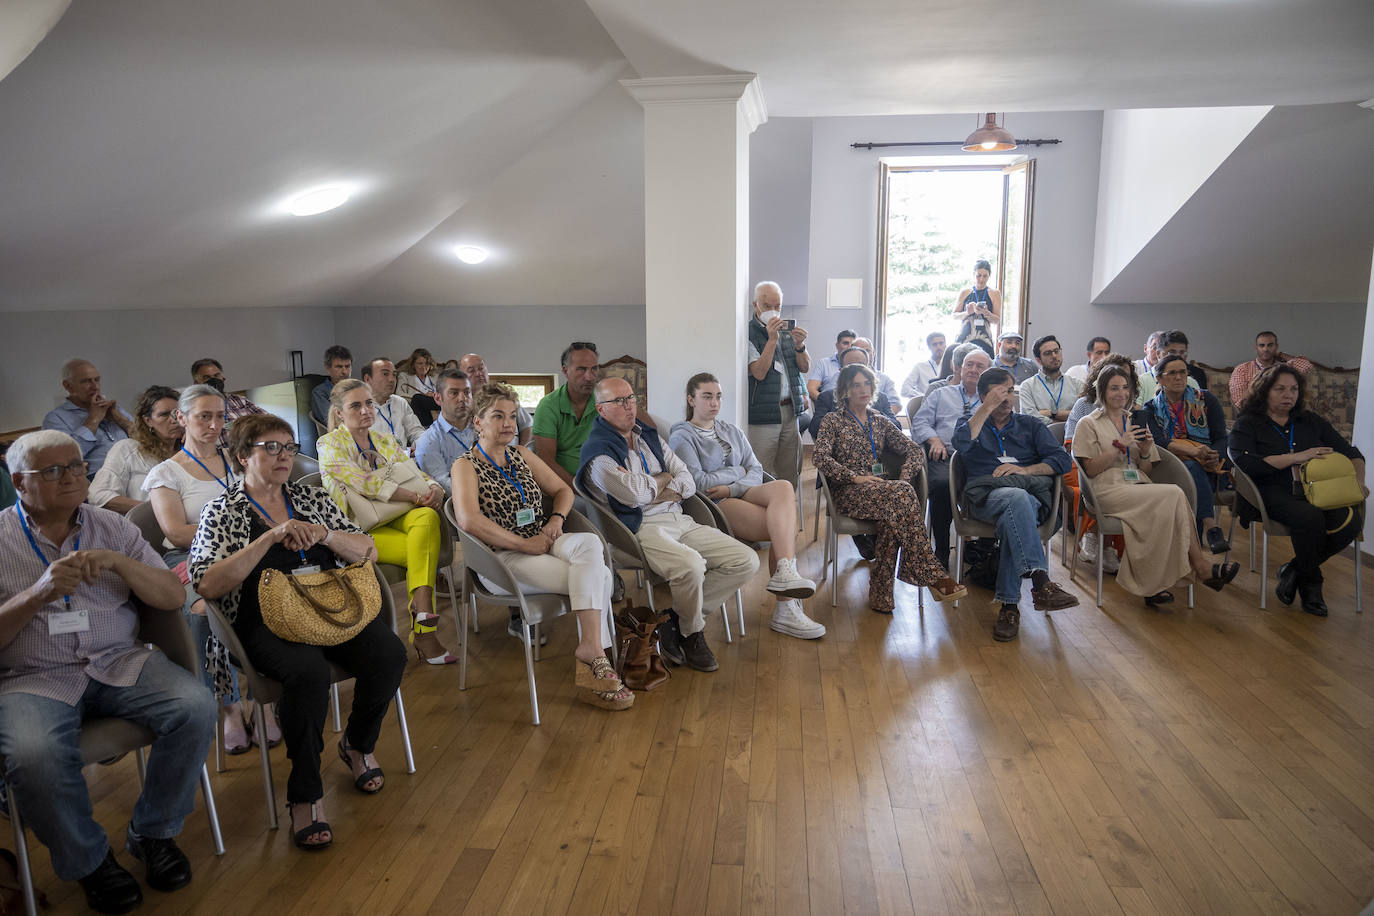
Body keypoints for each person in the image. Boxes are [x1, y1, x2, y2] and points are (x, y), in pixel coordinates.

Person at [1, 430, 214, 912]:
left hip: (119, 658)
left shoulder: (112, 528)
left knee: (196, 706)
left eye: (77, 466)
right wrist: (37, 594)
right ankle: (90, 862)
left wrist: (120, 563)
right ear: (19, 482)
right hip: (32, 677)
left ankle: (153, 832)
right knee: (33, 754)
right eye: (53, 471)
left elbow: (173, 596)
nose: (72, 477)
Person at [190, 414, 405, 851]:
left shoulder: (311, 497)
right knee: (306, 674)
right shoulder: (222, 510)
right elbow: (208, 584)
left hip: (327, 602)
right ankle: (304, 794)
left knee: (389, 654)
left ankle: (357, 745)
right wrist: (269, 538)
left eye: (288, 447)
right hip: (262, 618)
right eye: (271, 447)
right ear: (242, 456)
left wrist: (325, 534)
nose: (284, 456)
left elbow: (368, 549)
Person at [453, 383, 634, 709]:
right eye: (497, 416)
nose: (508, 423)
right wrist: (521, 543)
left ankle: (590, 651)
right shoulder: (465, 465)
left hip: (543, 538)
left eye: (512, 415)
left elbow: (563, 491)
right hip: (500, 558)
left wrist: (556, 521)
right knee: (602, 579)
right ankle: (595, 656)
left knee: (590, 542)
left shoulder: (521, 454)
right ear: (477, 422)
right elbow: (469, 521)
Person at [577, 377, 759, 672]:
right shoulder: (598, 453)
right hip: (638, 528)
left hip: (679, 517)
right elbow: (634, 497)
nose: (629, 406)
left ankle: (674, 621)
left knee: (746, 560)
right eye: (619, 401)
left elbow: (686, 479)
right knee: (690, 566)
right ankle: (692, 634)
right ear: (601, 409)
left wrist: (651, 487)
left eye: (632, 398)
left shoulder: (649, 436)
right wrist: (662, 481)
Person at [145, 384, 265, 754]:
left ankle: (265, 696)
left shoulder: (237, 460)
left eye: (219, 417)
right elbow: (176, 532)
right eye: (203, 417)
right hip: (189, 559)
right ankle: (227, 705)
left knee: (274, 596)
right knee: (201, 612)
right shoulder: (167, 472)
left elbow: (265, 507)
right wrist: (231, 528)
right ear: (182, 419)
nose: (214, 425)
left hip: (247, 553)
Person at [670, 373, 824, 639]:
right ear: (691, 399)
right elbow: (699, 482)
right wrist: (737, 472)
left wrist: (733, 483)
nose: (714, 402)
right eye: (707, 396)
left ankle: (785, 575)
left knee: (784, 488)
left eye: (718, 396)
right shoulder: (682, 437)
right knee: (783, 528)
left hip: (736, 492)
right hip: (715, 504)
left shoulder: (731, 430)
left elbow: (757, 469)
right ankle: (786, 609)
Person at [1072, 365, 1241, 606]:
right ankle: (1200, 565)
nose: (1121, 393)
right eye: (1113, 388)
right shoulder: (1088, 423)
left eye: (1124, 388)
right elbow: (1089, 469)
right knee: (1174, 493)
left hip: (1137, 485)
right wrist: (1119, 446)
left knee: (1173, 500)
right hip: (1105, 488)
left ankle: (1158, 582)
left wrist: (1142, 451)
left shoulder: (1135, 420)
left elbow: (1146, 470)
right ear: (1102, 391)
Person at [317, 380, 457, 665]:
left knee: (428, 515)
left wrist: (434, 488)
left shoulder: (384, 440)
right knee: (424, 549)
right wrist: (414, 495)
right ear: (340, 413)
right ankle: (425, 628)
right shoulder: (329, 443)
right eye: (355, 405)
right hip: (359, 531)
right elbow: (363, 483)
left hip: (398, 516)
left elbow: (414, 473)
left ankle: (422, 617)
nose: (366, 410)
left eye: (369, 403)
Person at [813, 365, 965, 613]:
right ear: (845, 391)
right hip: (849, 492)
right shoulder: (833, 420)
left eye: (867, 384)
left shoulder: (879, 421)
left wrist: (904, 478)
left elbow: (914, 450)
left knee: (893, 515)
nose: (863, 390)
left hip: (884, 493)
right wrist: (854, 478)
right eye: (856, 385)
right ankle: (932, 573)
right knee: (902, 497)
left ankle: (881, 590)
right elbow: (820, 458)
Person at [952, 368, 1079, 641]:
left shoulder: (1030, 426)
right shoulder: (970, 422)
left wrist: (1026, 471)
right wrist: (985, 409)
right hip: (985, 499)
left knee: (1017, 509)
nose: (1007, 398)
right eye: (999, 393)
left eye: (1010, 391)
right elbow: (961, 445)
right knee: (1017, 502)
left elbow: (1062, 461)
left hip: (1025, 497)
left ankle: (1010, 607)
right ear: (985, 396)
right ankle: (1040, 582)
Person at [1230, 365, 1365, 616]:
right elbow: (1248, 464)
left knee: (1350, 521)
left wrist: (1358, 483)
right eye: (1280, 389)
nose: (1288, 395)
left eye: (1293, 389)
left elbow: (1353, 454)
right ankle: (1312, 585)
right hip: (1268, 490)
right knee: (1309, 516)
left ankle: (1294, 570)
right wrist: (1298, 457)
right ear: (1264, 391)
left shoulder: (1310, 421)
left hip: (1315, 490)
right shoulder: (1248, 423)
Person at [911, 346, 993, 568]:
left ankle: (984, 550)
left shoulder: (993, 401)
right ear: (960, 367)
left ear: (989, 372)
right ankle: (942, 552)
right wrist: (934, 440)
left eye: (980, 366)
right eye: (969, 364)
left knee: (995, 486)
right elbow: (920, 421)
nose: (973, 369)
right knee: (941, 484)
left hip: (981, 460)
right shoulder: (941, 394)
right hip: (945, 455)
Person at [1141, 354, 1231, 553]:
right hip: (1168, 470)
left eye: (1182, 372)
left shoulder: (1206, 400)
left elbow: (1222, 437)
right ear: (1160, 379)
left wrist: (1212, 454)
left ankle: (1193, 557)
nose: (1179, 377)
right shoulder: (1150, 409)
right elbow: (1160, 443)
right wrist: (1194, 452)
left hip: (1210, 467)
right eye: (1171, 373)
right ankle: (1211, 526)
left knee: (1194, 470)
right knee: (1190, 467)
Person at [1064, 354, 1139, 573]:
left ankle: (1110, 544)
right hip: (1077, 462)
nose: (1121, 391)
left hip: (1118, 465)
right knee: (1089, 484)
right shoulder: (1084, 405)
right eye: (1114, 384)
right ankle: (1096, 538)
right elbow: (1072, 445)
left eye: (1126, 382)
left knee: (1123, 479)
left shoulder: (1130, 409)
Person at [745, 281, 810, 485]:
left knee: (790, 468)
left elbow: (805, 367)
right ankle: (763, 514)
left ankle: (787, 510)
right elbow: (759, 372)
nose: (773, 312)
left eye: (777, 306)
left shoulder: (787, 332)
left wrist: (799, 345)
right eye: (767, 306)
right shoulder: (748, 333)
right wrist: (772, 340)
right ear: (755, 305)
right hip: (763, 414)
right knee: (762, 469)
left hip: (790, 410)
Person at [89, 385, 182, 514]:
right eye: (164, 415)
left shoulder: (191, 453)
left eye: (177, 414)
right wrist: (156, 510)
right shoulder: (128, 449)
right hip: (143, 529)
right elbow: (99, 495)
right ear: (148, 420)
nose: (174, 420)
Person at [41, 359, 132, 479]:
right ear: (68, 386)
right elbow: (66, 457)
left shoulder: (115, 410)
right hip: (98, 478)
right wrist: (93, 420)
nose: (95, 387)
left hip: (136, 470)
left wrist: (120, 419)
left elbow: (146, 440)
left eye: (97, 380)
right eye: (86, 382)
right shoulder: (55, 418)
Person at [532, 341, 602, 486]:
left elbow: (640, 418)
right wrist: (580, 490)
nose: (589, 377)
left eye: (594, 369)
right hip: (566, 485)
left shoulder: (605, 398)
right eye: (581, 370)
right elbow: (546, 462)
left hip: (604, 481)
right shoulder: (548, 406)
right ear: (565, 370)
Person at [807, 347, 896, 440]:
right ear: (841, 371)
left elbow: (897, 426)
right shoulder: (827, 397)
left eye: (861, 365)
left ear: (869, 369)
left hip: (878, 449)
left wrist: (879, 415)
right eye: (851, 366)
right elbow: (815, 428)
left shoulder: (881, 397)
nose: (857, 371)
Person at [414, 368, 475, 495]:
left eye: (467, 392)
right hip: (461, 504)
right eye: (454, 393)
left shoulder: (483, 427)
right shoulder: (429, 441)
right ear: (437, 398)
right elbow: (444, 486)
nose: (462, 398)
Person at [1228, 331, 1314, 410]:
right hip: (1255, 414)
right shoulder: (1242, 369)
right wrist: (1255, 385)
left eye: (1270, 345)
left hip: (1284, 413)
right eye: (1262, 345)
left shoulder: (1283, 367)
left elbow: (1306, 366)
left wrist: (1281, 354)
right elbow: (1240, 403)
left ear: (1276, 347)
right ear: (1256, 348)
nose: (1265, 349)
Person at [458, 354, 532, 445]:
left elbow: (528, 426)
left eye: (481, 369)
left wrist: (520, 452)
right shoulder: (460, 404)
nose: (478, 374)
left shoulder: (505, 397)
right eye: (471, 371)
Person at [190, 357, 266, 444]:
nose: (213, 380)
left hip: (247, 451)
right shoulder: (191, 407)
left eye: (216, 375)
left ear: (223, 378)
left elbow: (268, 421)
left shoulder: (240, 401)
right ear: (196, 383)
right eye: (206, 377)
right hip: (215, 455)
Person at [361, 357, 425, 452]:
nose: (392, 379)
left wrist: (420, 446)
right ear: (367, 379)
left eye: (394, 375)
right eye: (385, 374)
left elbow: (416, 432)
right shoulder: (359, 409)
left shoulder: (400, 402)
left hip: (405, 461)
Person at [1020, 335, 1082, 424]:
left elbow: (1084, 414)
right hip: (1039, 436)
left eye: (1056, 351)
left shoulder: (1077, 384)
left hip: (1073, 436)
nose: (1054, 356)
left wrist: (1052, 413)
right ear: (1038, 360)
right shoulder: (1027, 386)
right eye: (1048, 353)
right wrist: (1063, 420)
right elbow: (1029, 419)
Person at [952, 259, 1000, 356]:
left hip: (984, 337)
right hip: (965, 336)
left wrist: (986, 313)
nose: (981, 279)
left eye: (985, 276)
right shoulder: (965, 292)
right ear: (974, 274)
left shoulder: (995, 293)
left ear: (989, 276)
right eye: (978, 275)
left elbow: (997, 320)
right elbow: (954, 316)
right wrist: (967, 313)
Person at [849, 337, 901, 414]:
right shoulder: (839, 376)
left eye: (867, 350)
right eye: (859, 351)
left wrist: (881, 419)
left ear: (873, 353)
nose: (864, 354)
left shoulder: (885, 379)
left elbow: (895, 405)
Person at [806, 328, 858, 400]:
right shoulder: (824, 363)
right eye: (845, 343)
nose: (849, 347)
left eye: (852, 345)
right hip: (830, 407)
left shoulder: (860, 365)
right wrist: (827, 402)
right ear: (837, 345)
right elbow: (811, 389)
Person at [311, 345, 352, 426]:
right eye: (339, 367)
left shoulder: (357, 388)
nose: (344, 371)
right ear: (328, 368)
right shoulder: (320, 392)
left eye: (347, 366)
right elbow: (332, 422)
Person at [397, 347, 438, 425]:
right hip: (417, 407)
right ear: (413, 364)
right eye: (420, 363)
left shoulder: (435, 377)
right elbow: (399, 394)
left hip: (436, 404)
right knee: (418, 398)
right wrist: (425, 396)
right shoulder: (405, 376)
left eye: (426, 363)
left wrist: (435, 395)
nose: (423, 367)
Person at [901, 332, 947, 398]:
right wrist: (924, 397)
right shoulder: (920, 367)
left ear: (945, 345)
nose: (938, 347)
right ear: (929, 347)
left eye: (941, 343)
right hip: (926, 405)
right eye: (934, 344)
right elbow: (904, 390)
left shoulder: (952, 367)